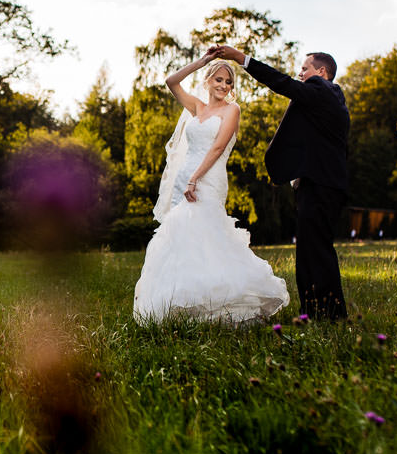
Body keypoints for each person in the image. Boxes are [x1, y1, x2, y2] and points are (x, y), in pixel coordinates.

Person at [133, 48, 289, 323]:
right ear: (207, 81)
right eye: (218, 80)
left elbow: (218, 147)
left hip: (209, 177)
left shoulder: (233, 110)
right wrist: (203, 61)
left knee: (207, 231)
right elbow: (171, 81)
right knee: (184, 235)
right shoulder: (197, 107)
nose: (224, 86)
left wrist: (196, 178)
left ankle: (221, 298)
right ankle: (185, 302)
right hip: (185, 176)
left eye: (228, 82)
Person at [212, 45, 349, 320]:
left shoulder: (324, 91)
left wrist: (241, 59)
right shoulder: (324, 102)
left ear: (322, 72)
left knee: (317, 250)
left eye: (304, 69)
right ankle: (314, 310)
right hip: (318, 184)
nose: (299, 74)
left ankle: (329, 314)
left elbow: (280, 82)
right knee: (310, 249)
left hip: (321, 185)